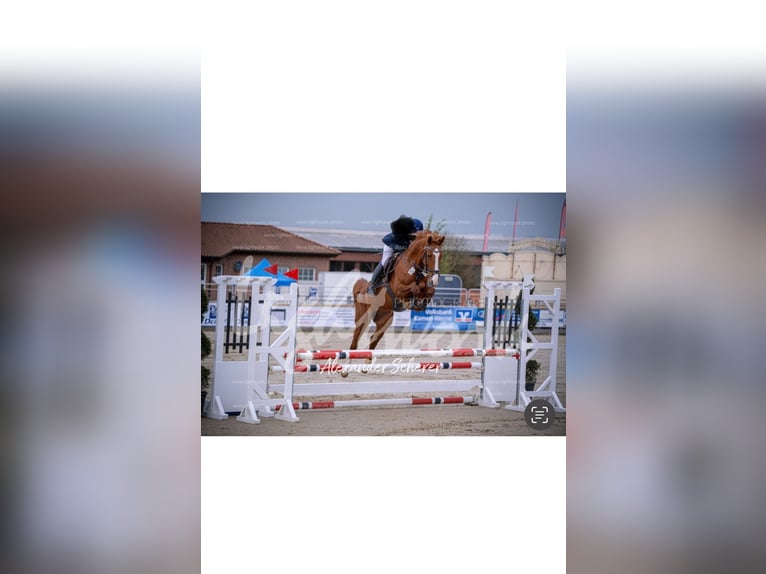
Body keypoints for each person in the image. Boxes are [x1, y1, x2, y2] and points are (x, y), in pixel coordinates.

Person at [367, 215, 424, 294]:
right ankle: (372, 285)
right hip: (391, 244)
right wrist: (399, 247)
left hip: (403, 247)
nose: (416, 235)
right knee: (385, 261)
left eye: (418, 233)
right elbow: (388, 240)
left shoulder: (416, 236)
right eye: (414, 232)